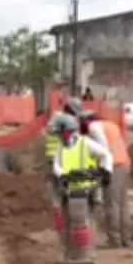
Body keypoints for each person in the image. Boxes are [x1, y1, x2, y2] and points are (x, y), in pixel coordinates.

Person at [52, 114, 113, 264]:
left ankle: (86, 254)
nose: (59, 137)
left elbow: (106, 155)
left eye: (60, 133)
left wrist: (106, 171)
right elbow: (56, 165)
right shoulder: (61, 148)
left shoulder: (85, 144)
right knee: (69, 222)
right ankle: (72, 253)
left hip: (87, 189)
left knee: (84, 222)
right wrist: (61, 176)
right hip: (70, 190)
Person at [80, 110, 132, 248]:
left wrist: (102, 171)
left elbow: (104, 150)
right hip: (125, 163)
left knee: (112, 203)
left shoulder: (94, 127)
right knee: (123, 204)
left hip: (114, 166)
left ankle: (114, 240)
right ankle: (126, 238)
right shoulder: (111, 125)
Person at [44, 97, 83, 242]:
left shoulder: (55, 118)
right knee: (67, 193)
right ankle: (68, 228)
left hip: (51, 159)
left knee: (56, 197)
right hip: (63, 160)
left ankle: (62, 229)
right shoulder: (68, 121)